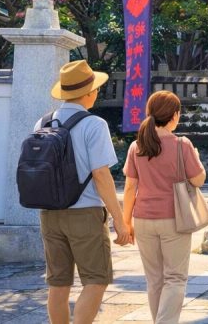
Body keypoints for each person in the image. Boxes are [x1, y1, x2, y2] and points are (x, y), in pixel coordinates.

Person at [37, 60, 132, 324]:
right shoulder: (94, 124)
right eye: (95, 89)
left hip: (49, 213)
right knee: (96, 279)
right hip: (84, 214)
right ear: (88, 92)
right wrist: (119, 219)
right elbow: (101, 175)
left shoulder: (43, 121)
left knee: (58, 283)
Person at [123, 91, 206, 324]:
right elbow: (198, 180)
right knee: (176, 278)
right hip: (174, 219)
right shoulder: (182, 144)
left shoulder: (136, 146)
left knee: (155, 280)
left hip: (142, 219)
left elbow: (130, 188)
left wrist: (125, 222)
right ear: (174, 115)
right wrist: (196, 157)